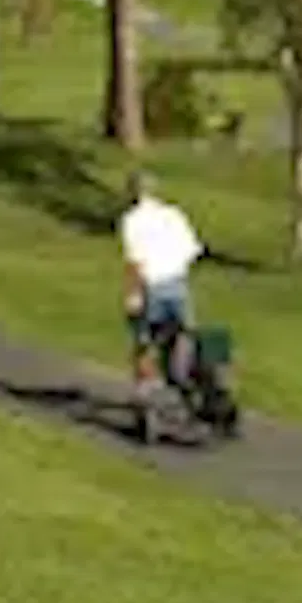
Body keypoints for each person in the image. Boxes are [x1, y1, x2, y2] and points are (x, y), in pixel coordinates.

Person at [118, 171, 206, 418]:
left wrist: (133, 295)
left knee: (145, 339)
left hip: (152, 286)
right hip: (178, 283)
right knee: (183, 333)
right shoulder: (173, 215)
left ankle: (145, 390)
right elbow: (192, 251)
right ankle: (187, 383)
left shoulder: (132, 220)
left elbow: (135, 261)